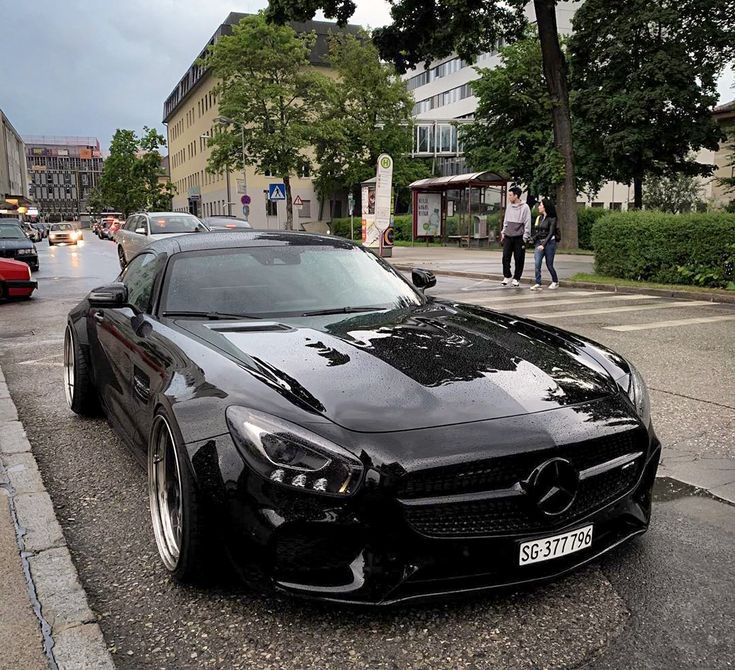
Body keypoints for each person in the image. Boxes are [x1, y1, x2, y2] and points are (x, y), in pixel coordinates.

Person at [500, 186, 532, 287]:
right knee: (505, 257)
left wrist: (525, 237)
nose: (509, 197)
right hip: (508, 235)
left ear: (516, 196)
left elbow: (527, 222)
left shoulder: (525, 207)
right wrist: (503, 232)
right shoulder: (509, 206)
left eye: (510, 195)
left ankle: (516, 278)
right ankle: (507, 275)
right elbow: (506, 220)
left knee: (519, 258)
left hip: (519, 236)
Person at [530, 198, 560, 290]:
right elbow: (540, 231)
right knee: (537, 263)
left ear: (545, 207)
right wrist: (533, 238)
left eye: (540, 205)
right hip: (539, 242)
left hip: (550, 243)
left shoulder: (552, 218)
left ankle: (555, 281)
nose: (538, 207)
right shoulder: (540, 218)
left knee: (549, 264)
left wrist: (543, 245)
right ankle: (538, 282)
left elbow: (551, 233)